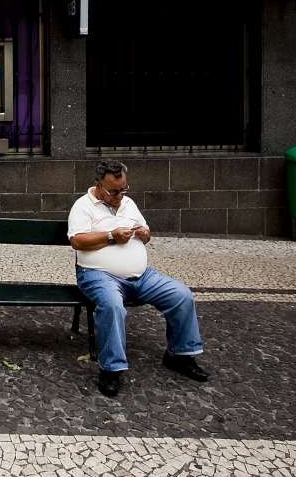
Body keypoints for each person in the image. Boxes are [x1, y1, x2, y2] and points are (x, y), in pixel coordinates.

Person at [69, 159, 209, 396]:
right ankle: (111, 370)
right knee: (113, 306)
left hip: (142, 276)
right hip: (99, 275)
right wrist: (112, 237)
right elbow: (77, 241)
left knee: (181, 295)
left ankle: (180, 355)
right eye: (114, 191)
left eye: (124, 189)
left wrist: (144, 234)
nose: (120, 195)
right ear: (98, 185)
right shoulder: (83, 206)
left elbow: (145, 234)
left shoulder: (128, 204)